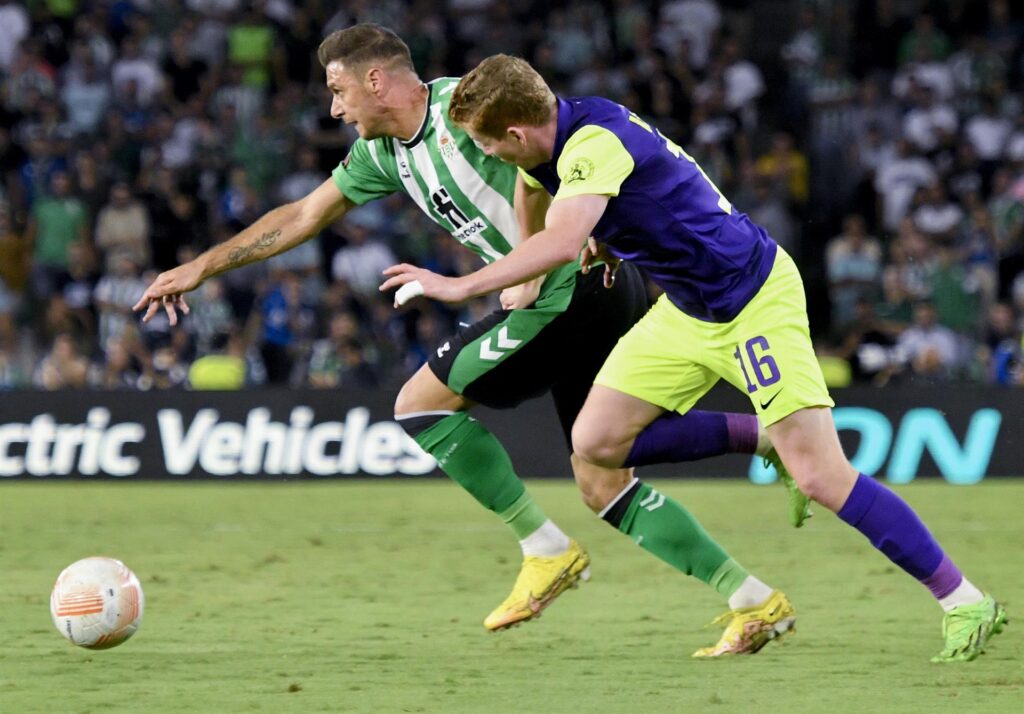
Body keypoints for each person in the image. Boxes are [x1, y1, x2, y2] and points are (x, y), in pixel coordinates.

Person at [134, 25, 804, 638]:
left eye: (339, 91)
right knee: (600, 471)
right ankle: (754, 583)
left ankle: (545, 550)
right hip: (596, 289)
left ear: (376, 80)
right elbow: (306, 214)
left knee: (419, 405)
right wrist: (202, 265)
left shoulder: (469, 109)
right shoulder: (384, 155)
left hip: (564, 289)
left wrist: (537, 256)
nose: (335, 110)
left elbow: (552, 156)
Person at [380, 54, 1006, 662]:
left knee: (822, 477)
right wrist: (585, 240)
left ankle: (964, 600)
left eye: (490, 147)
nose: (490, 156)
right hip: (687, 309)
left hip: (752, 300)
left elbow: (563, 238)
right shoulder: (554, 137)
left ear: (516, 129)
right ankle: (764, 440)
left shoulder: (593, 144)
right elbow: (532, 188)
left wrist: (463, 285)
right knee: (595, 444)